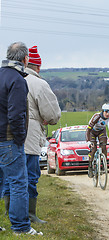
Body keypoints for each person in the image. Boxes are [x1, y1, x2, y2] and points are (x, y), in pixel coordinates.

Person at [3, 45, 61, 224]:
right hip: (27, 136)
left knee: (8, 178)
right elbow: (53, 115)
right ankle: (28, 215)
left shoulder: (5, 76)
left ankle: (9, 212)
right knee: (29, 178)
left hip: (4, 136)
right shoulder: (39, 83)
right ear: (36, 66)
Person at [0, 42, 42, 235]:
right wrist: (19, 138)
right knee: (18, 183)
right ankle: (21, 227)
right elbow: (16, 114)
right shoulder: (17, 80)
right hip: (8, 140)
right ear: (25, 59)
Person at [86, 103, 109, 178]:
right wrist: (88, 141)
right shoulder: (97, 117)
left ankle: (104, 164)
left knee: (104, 147)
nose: (107, 114)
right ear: (103, 111)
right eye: (106, 111)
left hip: (101, 131)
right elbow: (88, 129)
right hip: (92, 132)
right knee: (93, 149)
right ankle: (90, 167)